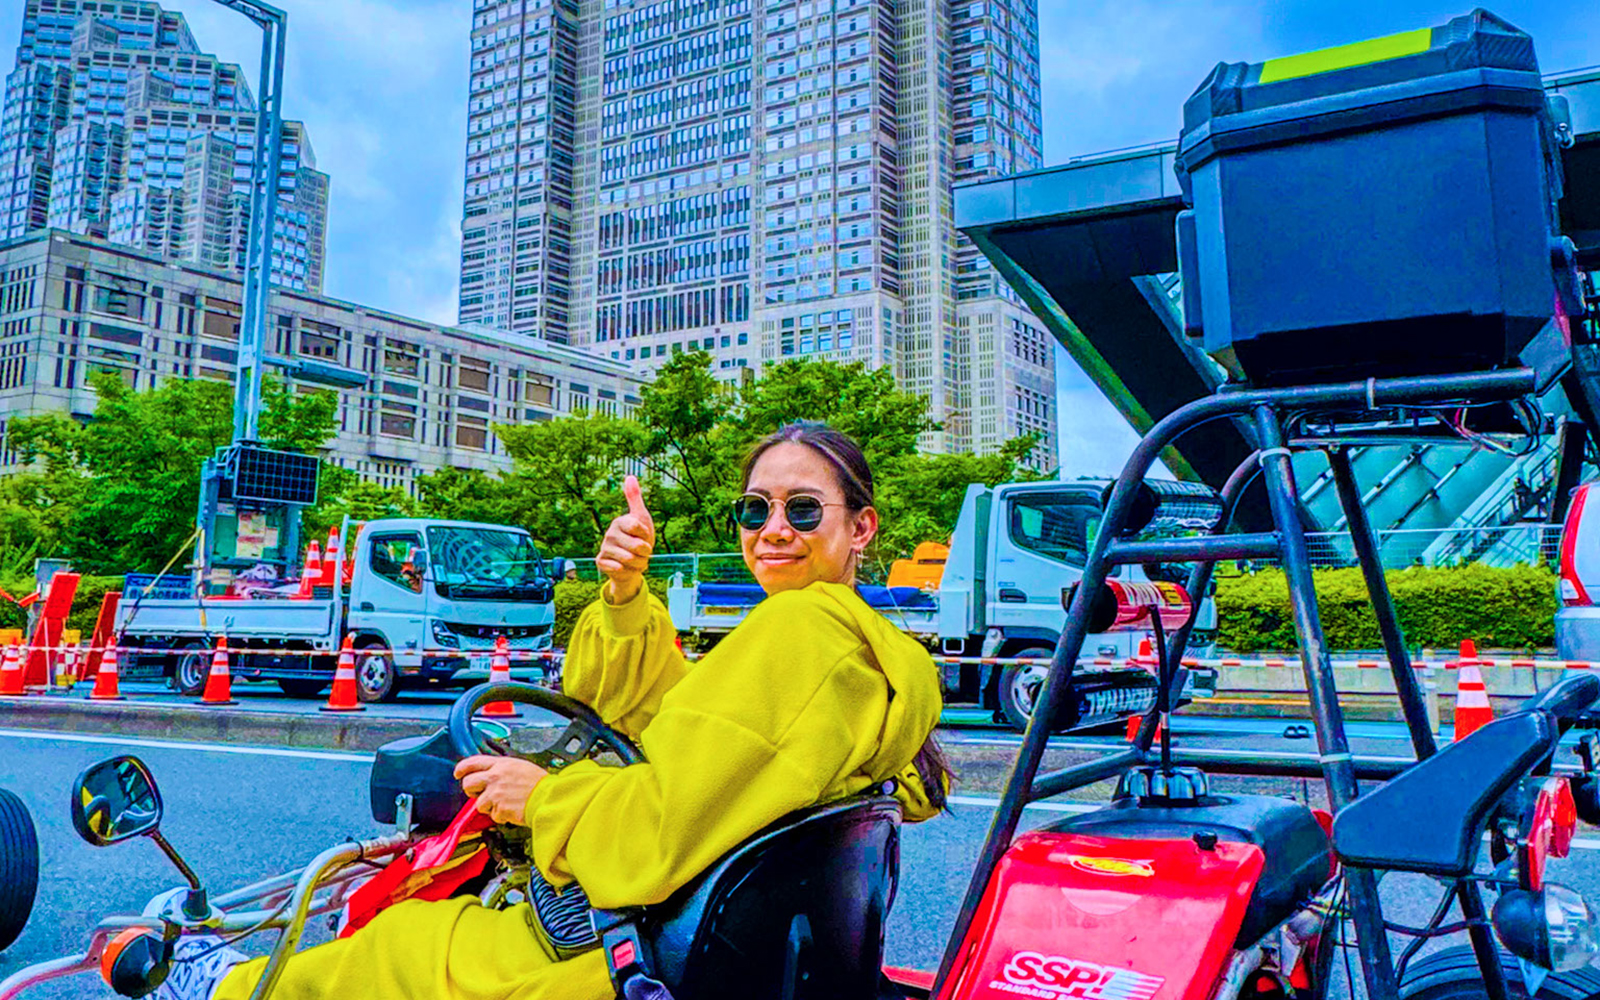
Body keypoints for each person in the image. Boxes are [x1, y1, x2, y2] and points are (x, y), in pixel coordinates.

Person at [165, 422, 947, 1000]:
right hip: (736, 956)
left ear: (861, 527)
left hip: (622, 960)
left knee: (409, 940)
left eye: (803, 511)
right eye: (755, 510)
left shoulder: (800, 632)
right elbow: (684, 719)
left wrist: (542, 797)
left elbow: (658, 829)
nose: (774, 531)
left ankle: (222, 988)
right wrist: (625, 595)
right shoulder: (859, 650)